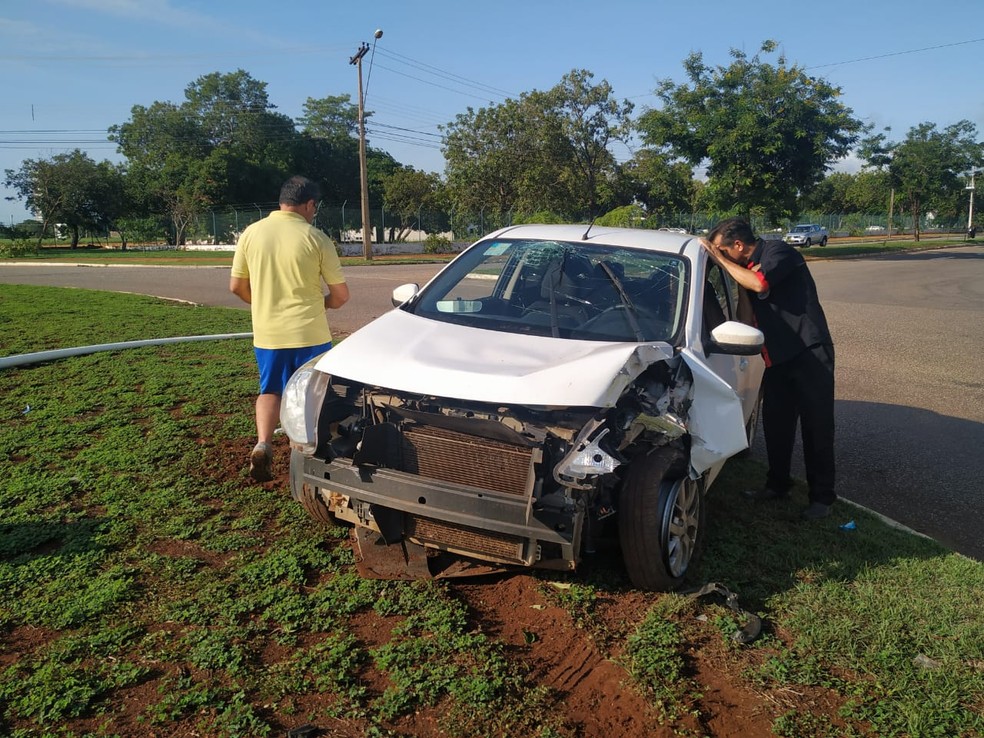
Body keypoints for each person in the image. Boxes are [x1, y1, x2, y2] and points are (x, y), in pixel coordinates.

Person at [701, 217, 835, 520]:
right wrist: (738, 283)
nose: (720, 256)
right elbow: (745, 321)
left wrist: (720, 261)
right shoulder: (746, 272)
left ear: (738, 245)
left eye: (723, 250)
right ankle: (777, 485)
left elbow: (761, 283)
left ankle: (822, 498)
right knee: (777, 425)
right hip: (776, 358)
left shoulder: (778, 252)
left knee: (817, 427)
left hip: (809, 353)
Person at [230, 175, 350, 482]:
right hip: (310, 333)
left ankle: (263, 443)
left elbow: (236, 287)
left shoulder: (251, 234)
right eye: (315, 208)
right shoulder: (316, 238)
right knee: (315, 394)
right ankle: (308, 449)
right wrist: (324, 303)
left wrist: (262, 305)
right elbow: (341, 296)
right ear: (309, 204)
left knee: (270, 389)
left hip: (269, 333)